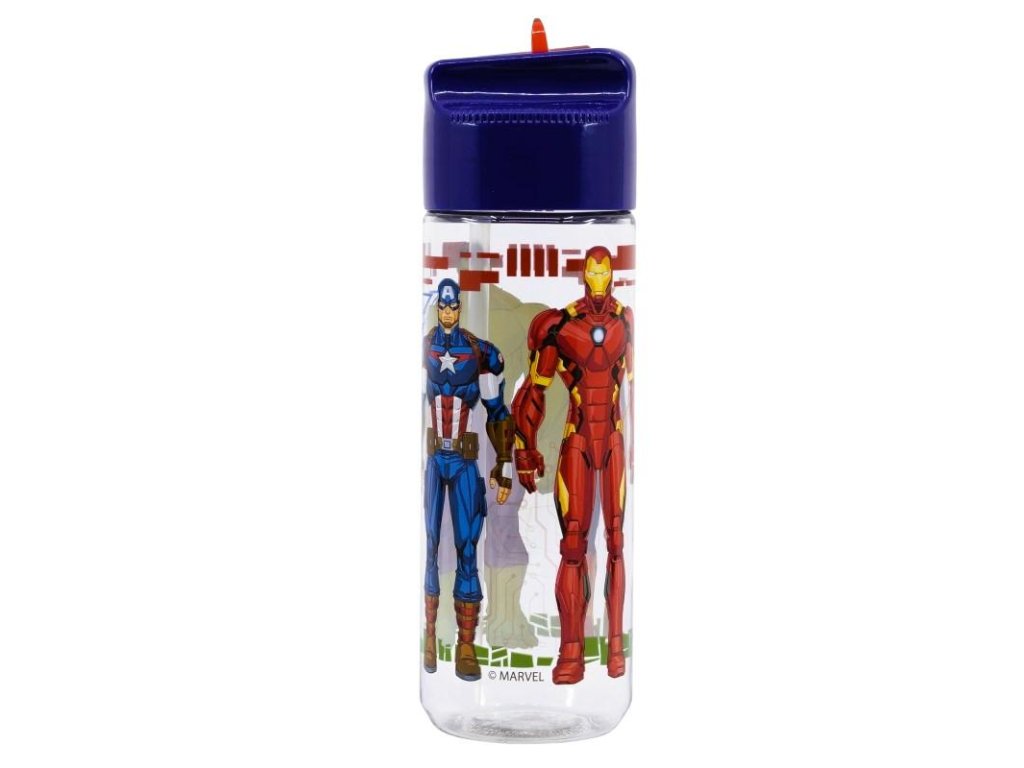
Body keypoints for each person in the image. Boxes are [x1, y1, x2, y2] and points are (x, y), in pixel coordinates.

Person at [512, 246, 635, 684]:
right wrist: (525, 450)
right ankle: (570, 653)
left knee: (617, 540)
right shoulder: (560, 326)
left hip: (613, 440)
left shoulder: (625, 321)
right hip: (579, 437)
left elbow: (634, 386)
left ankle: (616, 648)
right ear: (584, 275)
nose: (599, 280)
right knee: (573, 545)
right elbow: (533, 391)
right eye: (593, 272)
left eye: (605, 272)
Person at [422, 278, 513, 681]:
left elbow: (497, 410)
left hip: (463, 460)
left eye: (452, 307)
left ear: (458, 308)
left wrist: (503, 464)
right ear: (438, 309)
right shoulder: (425, 346)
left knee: (466, 547)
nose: (446, 312)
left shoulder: (478, 353)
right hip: (433, 460)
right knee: (430, 545)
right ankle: (429, 635)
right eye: (441, 307)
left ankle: (466, 645)